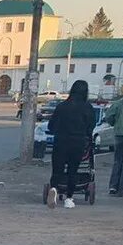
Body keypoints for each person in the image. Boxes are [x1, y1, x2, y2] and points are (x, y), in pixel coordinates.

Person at [46, 80, 95, 209]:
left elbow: (51, 125)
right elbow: (91, 127)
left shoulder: (62, 106)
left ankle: (54, 189)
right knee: (73, 171)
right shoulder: (87, 107)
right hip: (77, 142)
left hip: (61, 141)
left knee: (57, 170)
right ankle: (69, 198)